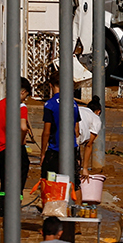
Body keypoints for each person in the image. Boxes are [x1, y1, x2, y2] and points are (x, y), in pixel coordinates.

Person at [39, 72, 81, 203]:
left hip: (55, 149)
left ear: (51, 85)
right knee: (75, 181)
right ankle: (77, 210)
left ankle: (50, 207)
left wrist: (42, 154)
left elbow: (46, 132)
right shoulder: (73, 104)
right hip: (71, 149)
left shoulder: (50, 104)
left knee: (48, 179)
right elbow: (77, 130)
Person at [0, 76, 33, 198]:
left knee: (5, 179)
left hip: (2, 149)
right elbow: (23, 127)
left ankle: (3, 203)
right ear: (22, 92)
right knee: (21, 172)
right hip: (16, 148)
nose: (25, 99)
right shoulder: (21, 107)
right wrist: (20, 143)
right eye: (26, 96)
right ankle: (18, 199)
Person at [78, 96, 103, 170]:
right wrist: (85, 168)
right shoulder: (96, 119)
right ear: (98, 111)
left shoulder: (80, 109)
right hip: (76, 136)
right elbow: (89, 145)